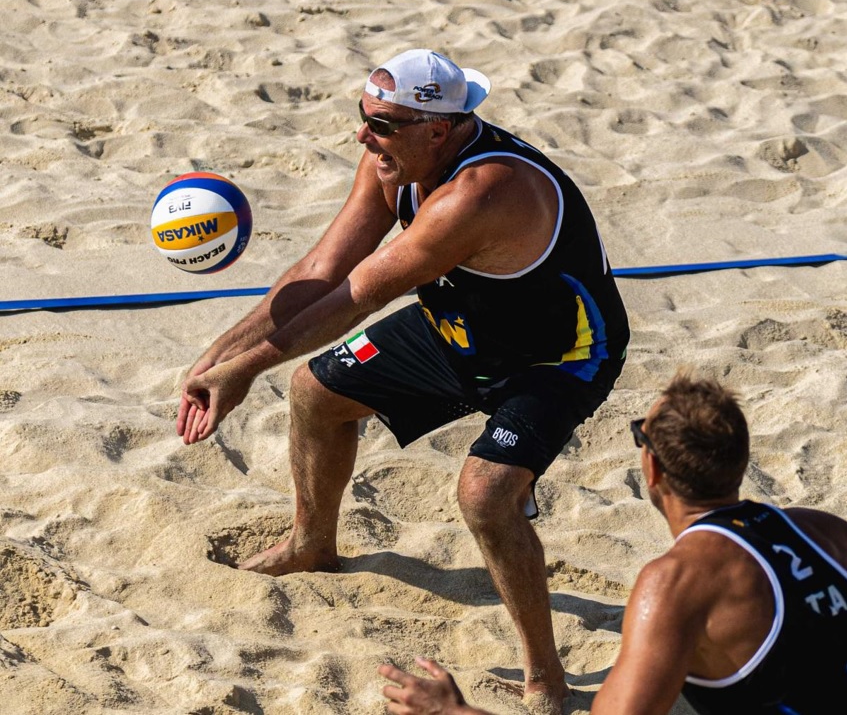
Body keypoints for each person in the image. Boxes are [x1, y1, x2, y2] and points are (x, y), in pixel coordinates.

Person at [176, 48, 630, 710]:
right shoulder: (392, 159)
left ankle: (546, 680)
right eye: (363, 116)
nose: (363, 134)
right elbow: (325, 265)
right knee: (314, 393)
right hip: (461, 330)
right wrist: (219, 355)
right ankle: (311, 545)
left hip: (558, 356)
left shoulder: (481, 192)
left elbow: (357, 296)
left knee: (484, 496)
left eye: (381, 124)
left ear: (437, 130)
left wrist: (244, 372)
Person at [379, 372, 847, 714]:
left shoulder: (675, 583)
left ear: (653, 470)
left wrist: (454, 712)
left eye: (640, 433)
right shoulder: (820, 529)